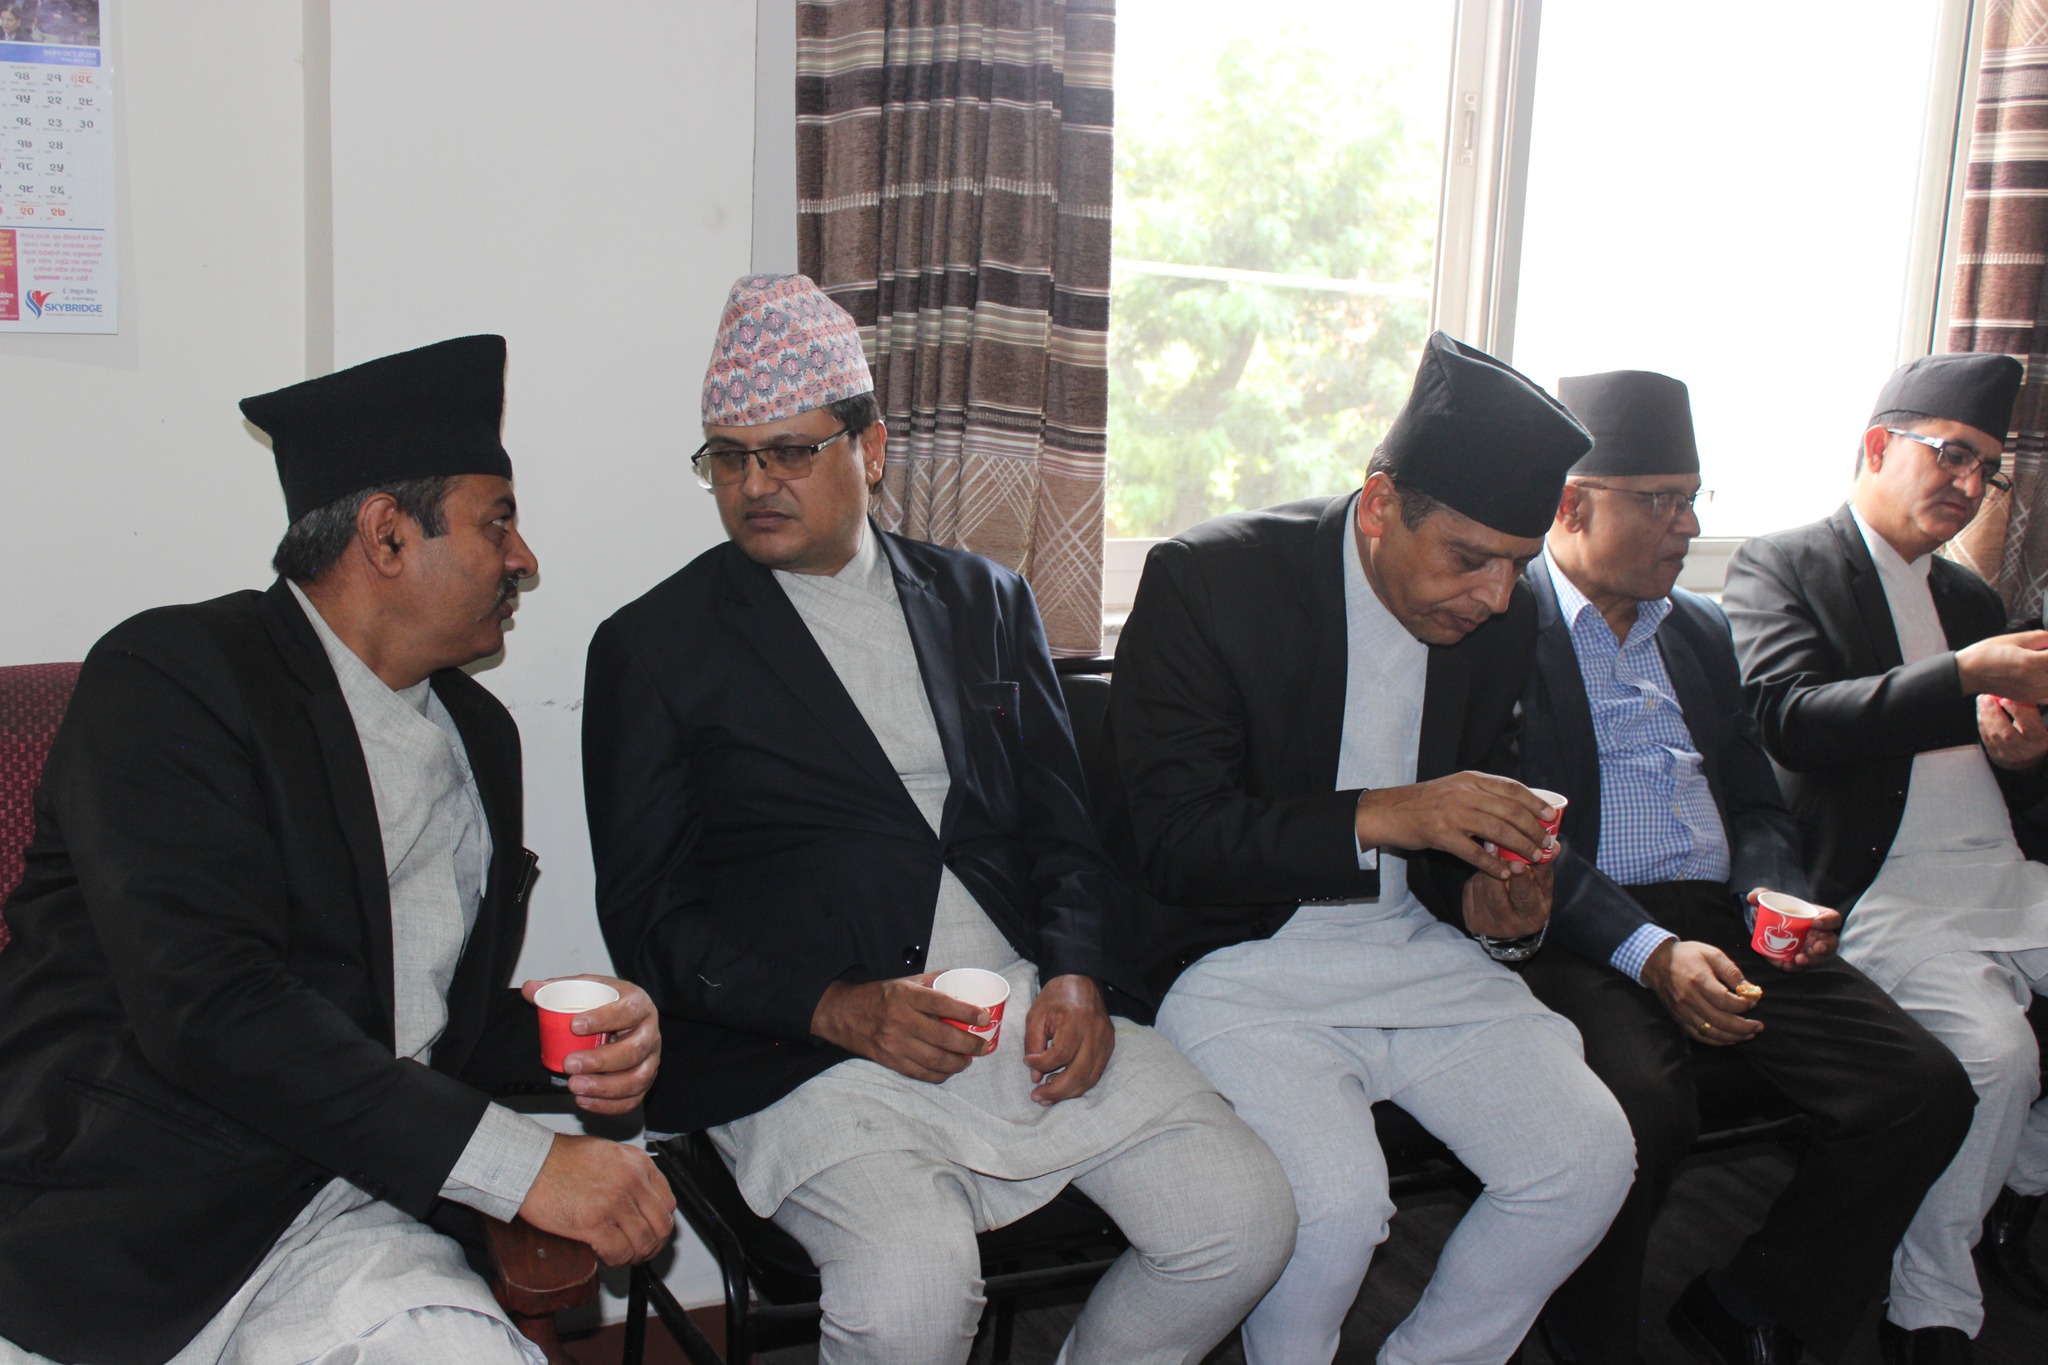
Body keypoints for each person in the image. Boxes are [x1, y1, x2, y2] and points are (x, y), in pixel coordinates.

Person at [582, 275, 1297, 1365]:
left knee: (1243, 1218)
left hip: (1016, 1011)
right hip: (803, 1051)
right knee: (914, 1289)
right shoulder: (654, 648)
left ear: (870, 450)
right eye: (728, 458)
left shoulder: (983, 600)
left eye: (788, 451)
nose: (754, 484)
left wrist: (1075, 972)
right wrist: (835, 1008)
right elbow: (651, 925)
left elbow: (1061, 828)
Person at [0, 336, 676, 1365]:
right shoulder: (173, 677)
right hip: (116, 1225)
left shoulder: (478, 734)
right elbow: (214, 1007)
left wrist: (578, 1038)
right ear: (387, 534)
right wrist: (523, 1165)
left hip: (347, 1216)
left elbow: (405, 1018)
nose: (524, 558)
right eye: (497, 521)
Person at [1096, 331, 1637, 1365]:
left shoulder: (1504, 616)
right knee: (1334, 1212)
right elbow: (1173, 844)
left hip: (1417, 958)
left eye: (1517, 564)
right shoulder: (1212, 581)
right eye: (1468, 557)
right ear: (1381, 505)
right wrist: (1388, 814)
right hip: (1236, 960)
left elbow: (1459, 851)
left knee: (1585, 1158)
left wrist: (1497, 911)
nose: (1494, 595)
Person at [1517, 369, 1973, 1365]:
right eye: (1659, 502)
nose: (1686, 527)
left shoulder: (1700, 627)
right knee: (1642, 1110)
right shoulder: (1503, 627)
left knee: (1921, 1087)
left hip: (1725, 915)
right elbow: (1522, 843)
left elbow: (1757, 801)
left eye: (1692, 499)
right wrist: (1650, 951)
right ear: (1572, 505)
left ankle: (1754, 1303)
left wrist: (1773, 888)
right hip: (1582, 926)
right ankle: (1586, 1333)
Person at [1723, 351, 2048, 1365]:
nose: (1968, 483)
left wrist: (2024, 757)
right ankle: (1932, 1305)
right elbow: (1788, 718)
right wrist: (1961, 675)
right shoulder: (1783, 563)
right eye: (1950, 454)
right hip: (1883, 887)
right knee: (1996, 1054)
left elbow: (2003, 758)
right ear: (1876, 445)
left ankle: (2021, 1182)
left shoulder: (1970, 597)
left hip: (1998, 870)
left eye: (1986, 468)